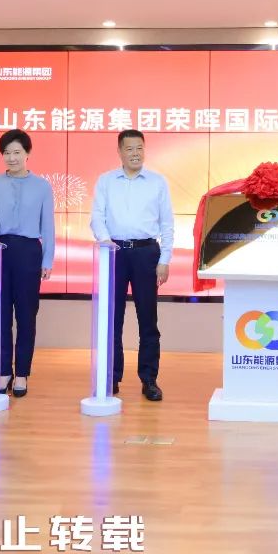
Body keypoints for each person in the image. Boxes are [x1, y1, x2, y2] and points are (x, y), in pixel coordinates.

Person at [90, 130, 174, 401]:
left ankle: (149, 379)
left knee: (148, 319)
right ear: (120, 152)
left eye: (140, 148)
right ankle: (111, 377)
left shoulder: (157, 182)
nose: (135, 153)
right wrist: (105, 243)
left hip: (147, 253)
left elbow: (167, 224)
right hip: (114, 252)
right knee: (112, 319)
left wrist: (164, 260)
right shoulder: (106, 181)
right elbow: (97, 217)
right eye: (129, 149)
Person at [0, 129, 55, 398]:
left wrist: (47, 258)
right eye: (6, 153)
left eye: (16, 152)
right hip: (0, 250)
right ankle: (4, 371)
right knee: (1, 314)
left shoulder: (42, 186)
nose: (11, 158)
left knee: (26, 315)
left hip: (29, 252)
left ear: (27, 154)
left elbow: (47, 226)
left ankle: (22, 372)